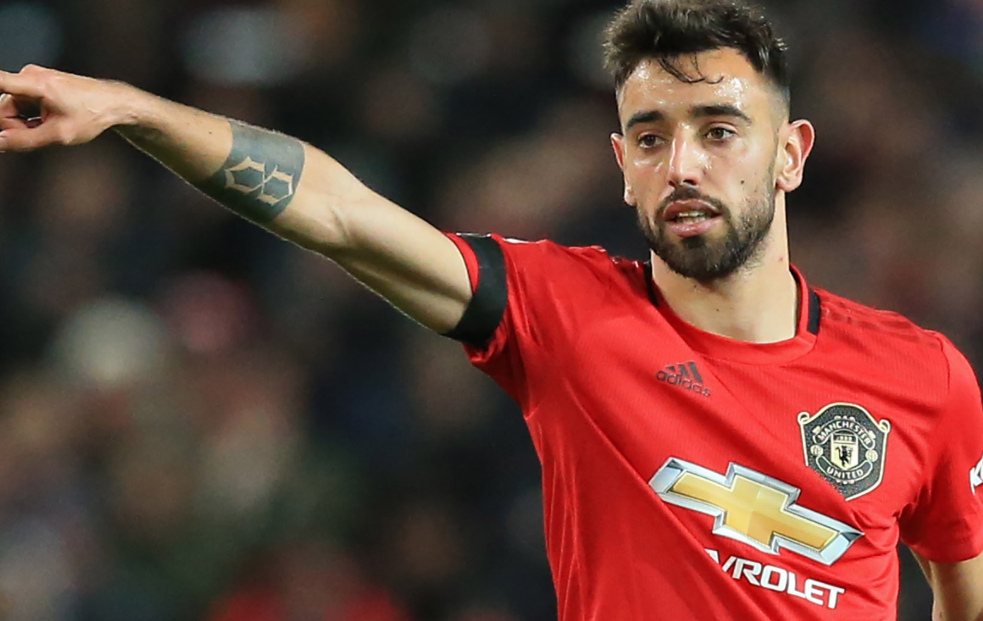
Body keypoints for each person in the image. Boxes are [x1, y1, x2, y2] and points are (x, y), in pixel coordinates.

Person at [1, 0, 981, 618]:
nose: (682, 164)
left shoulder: (924, 378)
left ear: (790, 153)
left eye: (719, 131)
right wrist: (136, 110)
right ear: (622, 167)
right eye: (649, 137)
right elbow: (339, 214)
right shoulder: (568, 313)